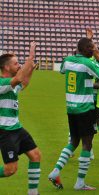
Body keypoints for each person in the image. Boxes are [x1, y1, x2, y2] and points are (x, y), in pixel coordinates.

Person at [48, 37, 99, 190]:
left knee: (73, 141)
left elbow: (62, 71)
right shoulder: (88, 63)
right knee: (87, 144)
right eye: (92, 48)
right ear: (87, 49)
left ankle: (55, 172)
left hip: (70, 107)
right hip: (85, 109)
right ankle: (80, 182)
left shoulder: (67, 60)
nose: (93, 50)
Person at [0, 42, 41, 195]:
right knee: (11, 170)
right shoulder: (2, 83)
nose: (18, 65)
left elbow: (23, 83)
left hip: (17, 128)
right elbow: (18, 80)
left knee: (35, 155)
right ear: (6, 67)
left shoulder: (11, 83)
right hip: (5, 131)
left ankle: (33, 193)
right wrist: (30, 56)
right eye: (16, 63)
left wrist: (29, 70)